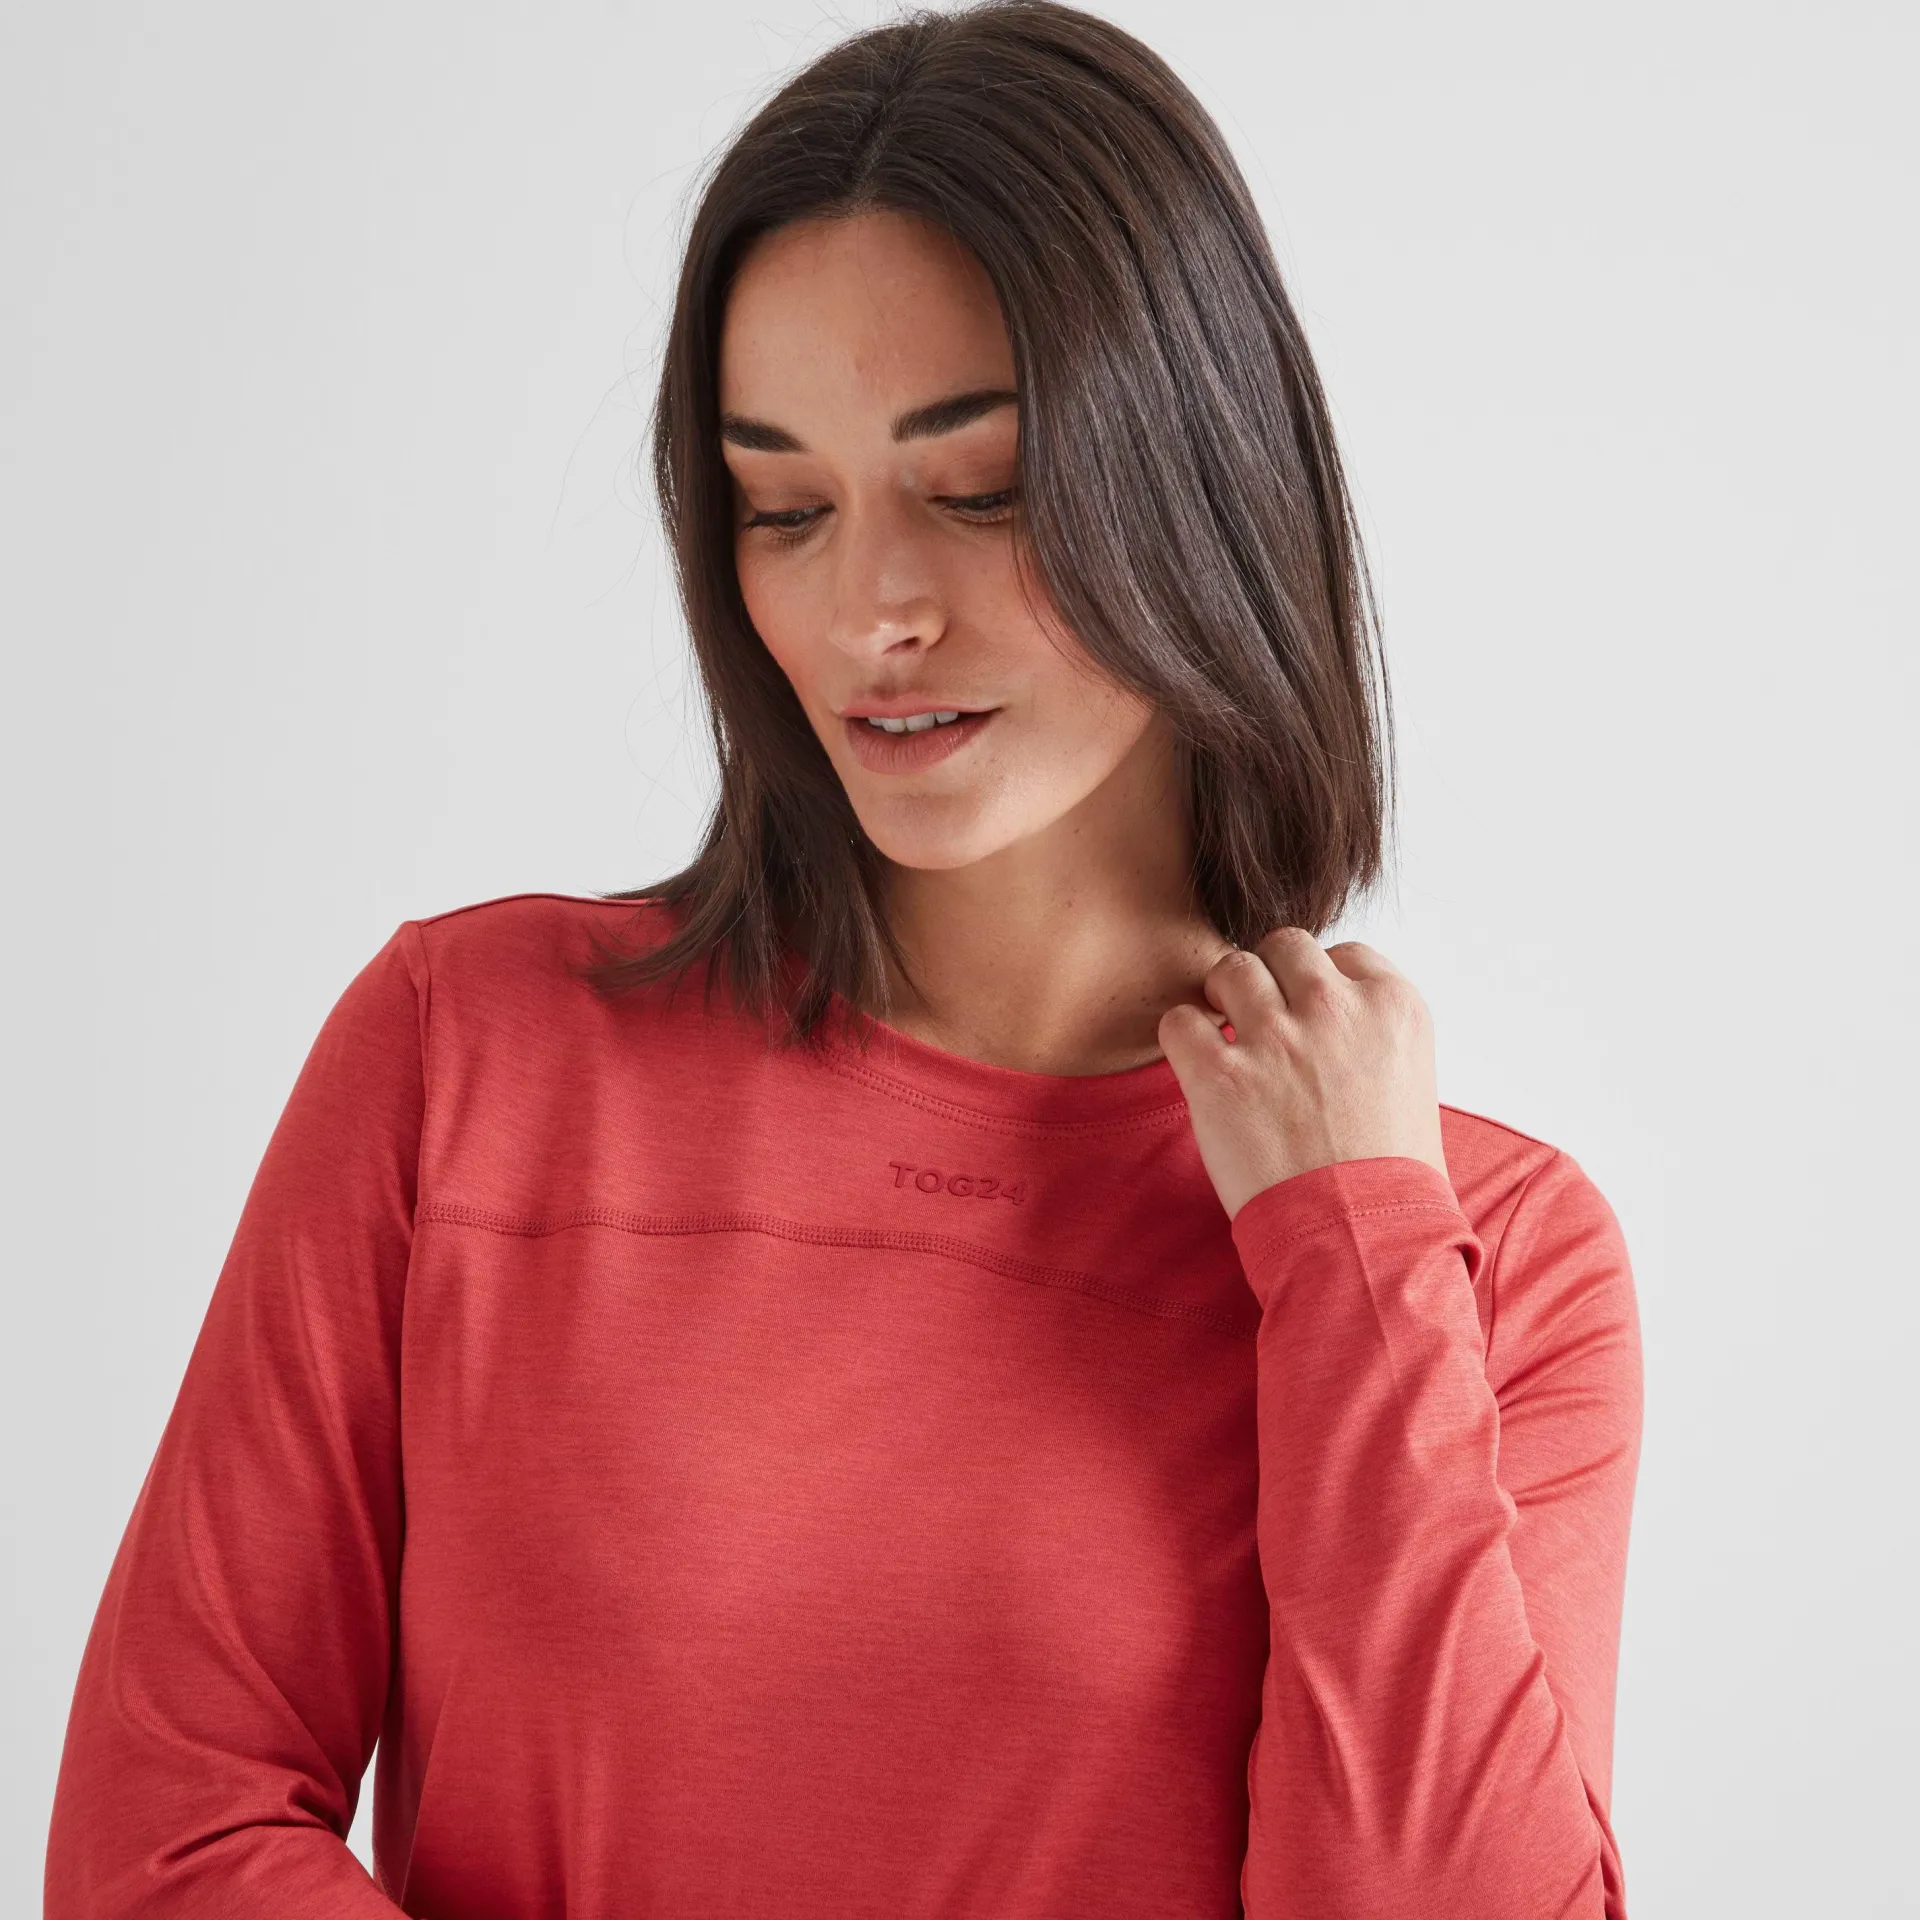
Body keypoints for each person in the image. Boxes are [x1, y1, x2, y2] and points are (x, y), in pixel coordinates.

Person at [43, 3, 1643, 1916]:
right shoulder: (467, 1060)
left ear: (1198, 481)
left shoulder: (1487, 1259)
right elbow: (161, 1842)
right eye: (785, 510)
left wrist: (1354, 1256)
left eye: (980, 491)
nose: (872, 607)